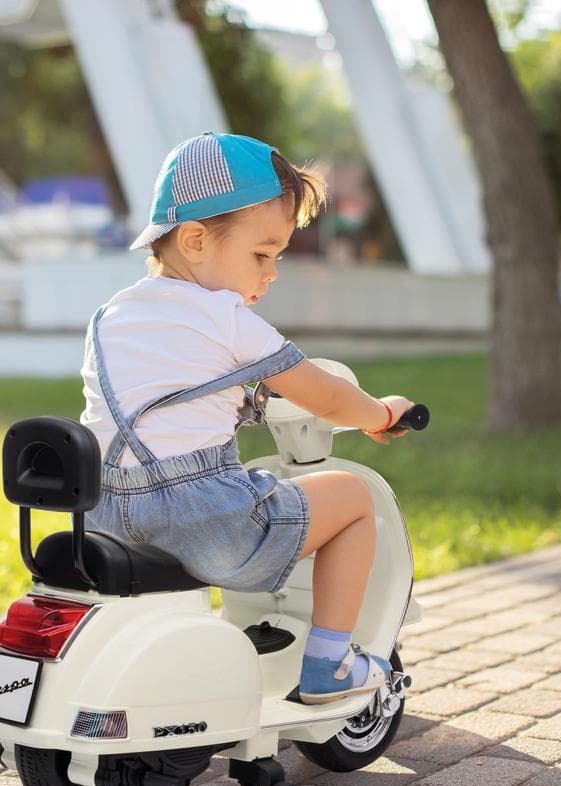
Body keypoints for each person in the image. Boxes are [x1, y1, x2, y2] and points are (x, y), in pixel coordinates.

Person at [81, 132, 413, 705]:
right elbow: (326, 397)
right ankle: (329, 664)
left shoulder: (112, 314)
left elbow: (168, 402)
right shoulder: (225, 318)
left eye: (278, 257)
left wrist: (249, 404)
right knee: (354, 499)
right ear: (194, 239)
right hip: (203, 520)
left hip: (104, 514)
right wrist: (380, 413)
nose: (271, 272)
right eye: (262, 254)